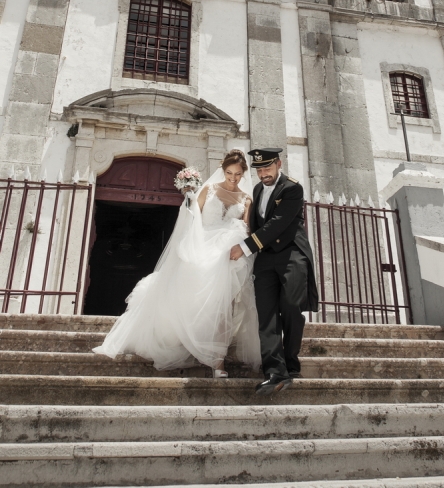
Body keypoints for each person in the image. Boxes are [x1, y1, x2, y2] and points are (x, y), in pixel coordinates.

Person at [94, 150, 261, 377]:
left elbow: (246, 229)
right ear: (223, 170)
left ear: (244, 174)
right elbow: (193, 220)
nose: (233, 177)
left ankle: (218, 362)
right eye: (229, 172)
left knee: (223, 307)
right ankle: (188, 343)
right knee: (190, 302)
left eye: (238, 174)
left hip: (227, 257)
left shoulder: (246, 199)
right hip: (201, 251)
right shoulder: (208, 190)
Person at [229, 147, 318, 395]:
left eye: (267, 167)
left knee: (290, 308)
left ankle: (291, 364)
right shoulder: (257, 190)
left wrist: (245, 247)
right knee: (266, 315)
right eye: (259, 169)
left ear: (278, 164)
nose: (263, 173)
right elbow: (256, 223)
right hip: (266, 259)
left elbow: (278, 224)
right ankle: (274, 372)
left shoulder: (292, 188)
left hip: (292, 255)